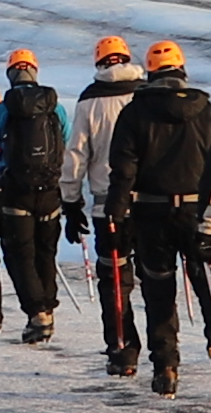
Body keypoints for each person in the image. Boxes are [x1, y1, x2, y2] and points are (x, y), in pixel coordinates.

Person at [99, 41, 211, 397]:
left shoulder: (135, 112)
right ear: (182, 70)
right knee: (208, 280)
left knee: (159, 289)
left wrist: (115, 213)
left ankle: (166, 368)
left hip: (152, 212)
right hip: (198, 211)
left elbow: (123, 168)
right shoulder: (207, 111)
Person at [0, 45, 76, 346]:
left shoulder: (3, 109)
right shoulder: (55, 106)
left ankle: (38, 314)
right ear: (35, 71)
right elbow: (67, 139)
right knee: (45, 252)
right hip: (49, 190)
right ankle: (48, 306)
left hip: (16, 192)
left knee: (20, 255)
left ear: (11, 74)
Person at [65, 35, 151, 379]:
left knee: (115, 279)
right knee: (157, 278)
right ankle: (164, 356)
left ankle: (122, 348)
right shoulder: (148, 94)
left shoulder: (89, 102)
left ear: (99, 63)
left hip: (106, 206)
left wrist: (71, 200)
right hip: (150, 203)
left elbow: (76, 155)